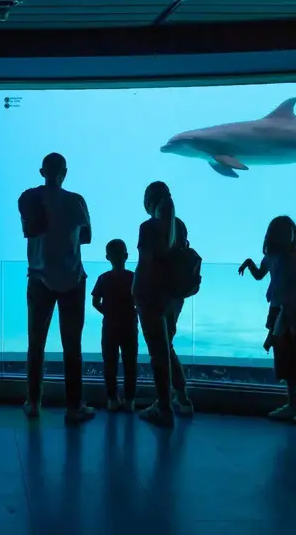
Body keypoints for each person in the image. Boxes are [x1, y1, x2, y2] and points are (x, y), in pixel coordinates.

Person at [18, 152, 95, 424]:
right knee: (72, 346)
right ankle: (74, 407)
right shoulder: (76, 201)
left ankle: (34, 402)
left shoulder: (29, 198)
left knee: (35, 344)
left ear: (42, 172)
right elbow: (86, 237)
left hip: (39, 279)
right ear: (65, 172)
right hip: (73, 280)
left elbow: (29, 230)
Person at [239, 215, 296, 425]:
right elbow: (260, 274)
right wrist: (249, 263)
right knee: (286, 358)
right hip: (278, 313)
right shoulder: (274, 259)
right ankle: (294, 403)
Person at [132, 181, 195, 428]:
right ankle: (182, 398)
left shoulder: (148, 227)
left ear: (149, 202)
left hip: (151, 297)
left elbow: (144, 264)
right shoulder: (179, 226)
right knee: (165, 347)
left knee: (158, 353)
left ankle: (163, 407)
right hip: (173, 298)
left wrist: (135, 293)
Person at [91, 239, 138, 412]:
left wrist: (108, 312)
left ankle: (112, 398)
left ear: (107, 257)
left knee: (110, 363)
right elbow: (141, 299)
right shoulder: (133, 277)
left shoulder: (103, 278)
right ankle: (129, 400)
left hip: (110, 326)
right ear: (126, 256)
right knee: (130, 363)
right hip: (129, 326)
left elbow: (95, 302)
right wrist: (134, 312)